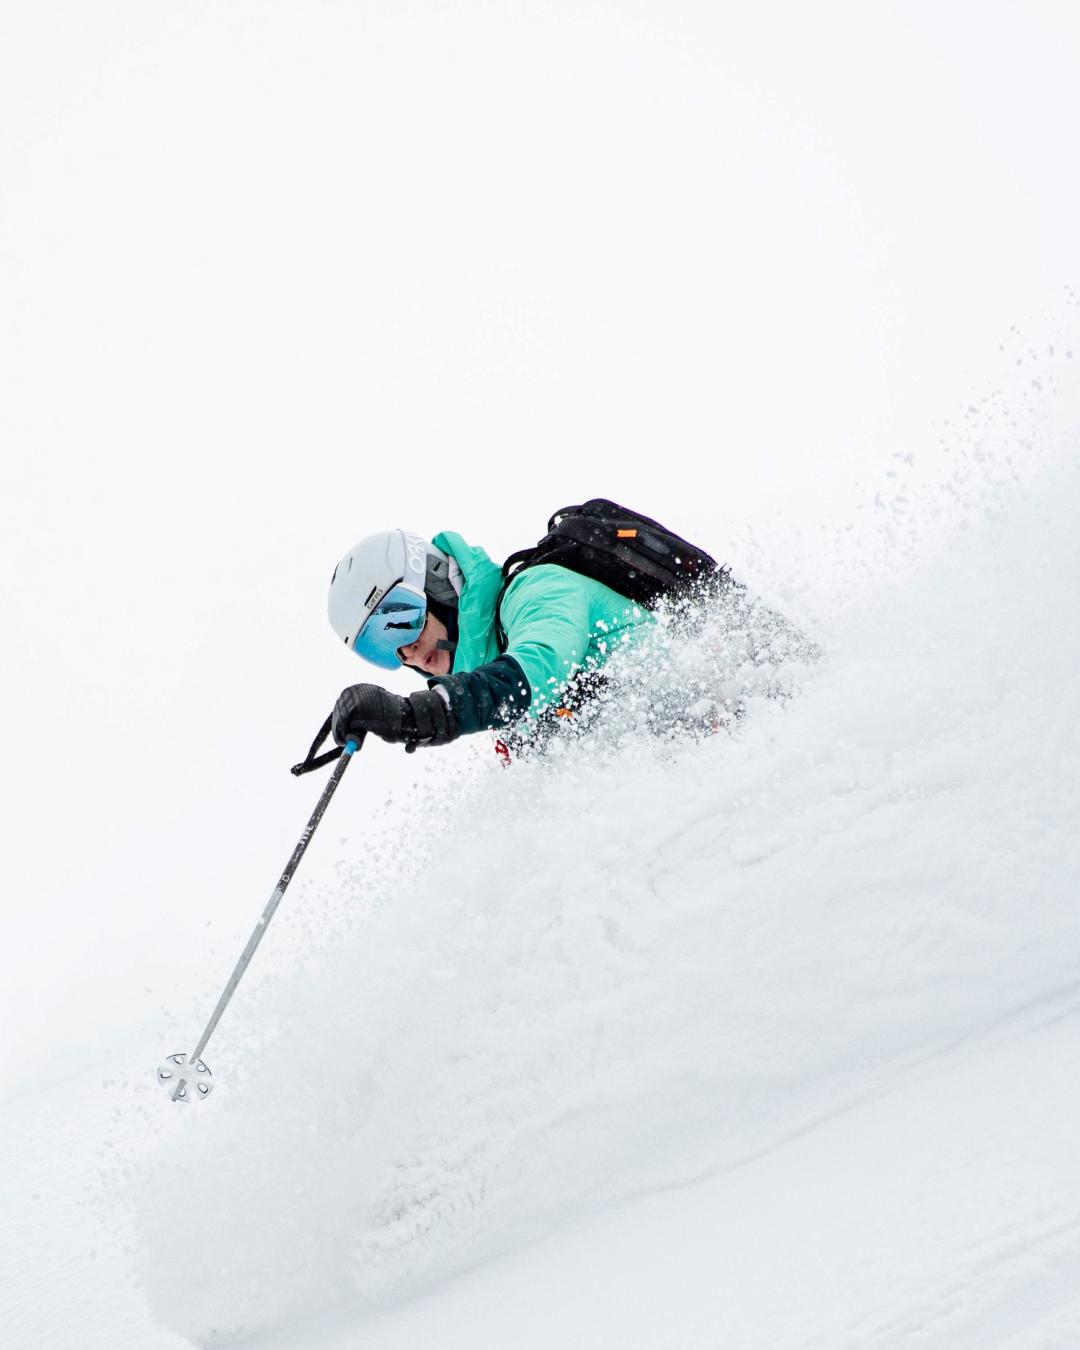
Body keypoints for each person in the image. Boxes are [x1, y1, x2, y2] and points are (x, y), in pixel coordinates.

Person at [327, 528, 654, 754]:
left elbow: (542, 665)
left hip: (691, 705)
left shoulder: (536, 590)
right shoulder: (513, 727)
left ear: (437, 587)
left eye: (400, 622)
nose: (404, 650)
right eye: (381, 647)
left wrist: (412, 714)